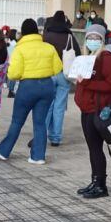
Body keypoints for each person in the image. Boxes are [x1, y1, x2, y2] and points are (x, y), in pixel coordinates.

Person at [0, 18, 62, 164]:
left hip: (27, 88)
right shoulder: (49, 47)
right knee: (40, 123)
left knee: (17, 121)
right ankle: (38, 156)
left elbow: (13, 74)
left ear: (23, 33)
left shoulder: (20, 49)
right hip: (47, 87)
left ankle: (3, 151)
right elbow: (58, 68)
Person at [74, 22, 111, 199]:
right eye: (89, 37)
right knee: (92, 148)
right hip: (86, 108)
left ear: (102, 40)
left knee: (95, 148)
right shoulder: (88, 56)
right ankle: (95, 181)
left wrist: (86, 83)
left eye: (96, 37)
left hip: (97, 109)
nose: (92, 40)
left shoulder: (106, 57)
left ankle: (101, 185)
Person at [42, 10, 79, 146]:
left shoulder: (46, 36)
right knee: (59, 107)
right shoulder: (69, 36)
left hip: (49, 74)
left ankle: (42, 134)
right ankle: (56, 137)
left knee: (47, 106)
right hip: (64, 74)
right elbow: (78, 53)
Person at [4, 27, 19, 98]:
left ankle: (10, 91)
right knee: (13, 77)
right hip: (13, 61)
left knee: (10, 77)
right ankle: (11, 91)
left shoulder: (8, 43)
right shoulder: (15, 44)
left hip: (7, 61)